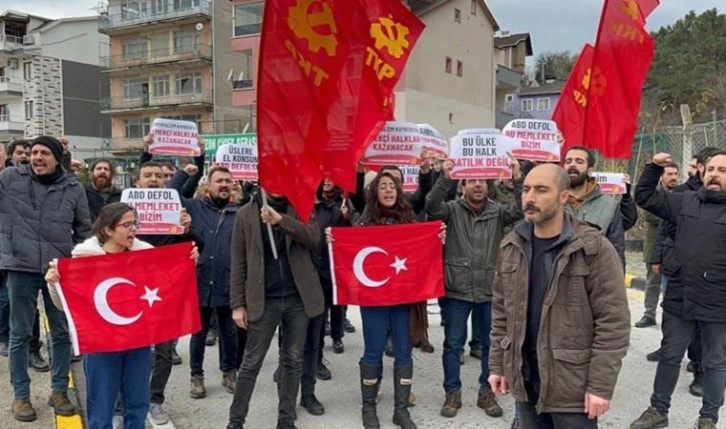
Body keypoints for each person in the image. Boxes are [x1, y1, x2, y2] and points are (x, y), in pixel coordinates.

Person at [489, 163, 630, 429]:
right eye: (527, 189)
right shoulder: (511, 245)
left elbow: (613, 323)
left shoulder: (594, 248)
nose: (530, 197)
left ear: (564, 196)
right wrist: (497, 364)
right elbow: (500, 312)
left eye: (542, 190)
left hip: (571, 387)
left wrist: (600, 386)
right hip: (526, 379)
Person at [45, 202, 198, 429]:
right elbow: (64, 305)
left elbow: (166, 287)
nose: (133, 229)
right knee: (101, 407)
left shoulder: (144, 254)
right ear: (108, 229)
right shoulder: (84, 258)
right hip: (101, 344)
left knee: (137, 404)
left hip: (137, 342)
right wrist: (54, 284)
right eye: (127, 224)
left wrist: (188, 262)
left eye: (135, 223)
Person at [336, 171, 443, 429]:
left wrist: (438, 238)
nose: (387, 190)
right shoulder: (365, 222)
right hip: (374, 300)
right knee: (373, 351)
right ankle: (369, 407)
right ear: (375, 192)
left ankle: (401, 410)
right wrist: (336, 238)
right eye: (382, 186)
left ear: (398, 191)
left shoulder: (411, 220)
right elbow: (349, 247)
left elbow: (423, 250)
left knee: (404, 352)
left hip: (403, 300)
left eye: (391, 186)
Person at [630, 151, 726, 429]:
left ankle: (708, 418)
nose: (714, 175)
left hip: (718, 302)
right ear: (702, 173)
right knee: (670, 356)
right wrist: (653, 167)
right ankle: (658, 410)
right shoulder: (684, 201)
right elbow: (645, 197)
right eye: (710, 169)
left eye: (722, 170)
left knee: (716, 362)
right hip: (680, 298)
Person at [0, 136, 92, 421]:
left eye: (44, 153)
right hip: (20, 266)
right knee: (20, 333)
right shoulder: (9, 178)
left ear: (55, 157)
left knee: (62, 331)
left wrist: (80, 263)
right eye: (33, 152)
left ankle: (59, 390)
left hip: (59, 271)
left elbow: (83, 228)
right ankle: (21, 396)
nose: (37, 157)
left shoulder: (74, 186)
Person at [426, 157, 523, 420]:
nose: (477, 185)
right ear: (462, 186)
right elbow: (431, 206)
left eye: (482, 180)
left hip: (490, 289)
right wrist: (444, 176)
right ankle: (452, 392)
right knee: (452, 344)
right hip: (457, 289)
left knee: (493, 346)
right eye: (471, 181)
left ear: (488, 185)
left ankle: (486, 391)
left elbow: (523, 208)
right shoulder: (452, 209)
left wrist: (517, 177)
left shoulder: (499, 211)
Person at [226, 191, 324, 429]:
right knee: (251, 362)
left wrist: (281, 221)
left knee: (292, 360)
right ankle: (236, 421)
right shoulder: (245, 214)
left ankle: (286, 419)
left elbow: (312, 238)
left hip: (298, 298)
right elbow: (238, 261)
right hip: (264, 299)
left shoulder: (300, 206)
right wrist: (238, 304)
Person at [130, 161, 202, 425]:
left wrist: (189, 231)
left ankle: (155, 399)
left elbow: (198, 246)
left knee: (163, 351)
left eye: (159, 176)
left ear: (166, 182)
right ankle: (122, 403)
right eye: (147, 175)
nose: (153, 180)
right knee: (129, 349)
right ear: (137, 182)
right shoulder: (123, 213)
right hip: (131, 292)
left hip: (165, 292)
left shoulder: (177, 213)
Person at [167, 166, 241, 401]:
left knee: (229, 331)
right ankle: (196, 376)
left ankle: (229, 371)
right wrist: (184, 172)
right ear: (208, 185)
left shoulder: (239, 212)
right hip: (199, 280)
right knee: (198, 333)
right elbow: (171, 193)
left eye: (228, 181)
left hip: (228, 280)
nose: (224, 184)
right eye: (219, 180)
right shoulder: (195, 207)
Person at [0, 138, 48, 371]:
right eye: (27, 153)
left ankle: (33, 350)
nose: (31, 157)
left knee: (38, 317)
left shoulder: (63, 185)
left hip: (39, 260)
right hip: (13, 257)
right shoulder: (7, 180)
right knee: (9, 307)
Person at [562, 146, 625, 266]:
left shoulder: (608, 205)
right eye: (568, 161)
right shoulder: (552, 201)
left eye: (579, 161)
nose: (572, 165)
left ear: (590, 170)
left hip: (593, 277)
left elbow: (616, 250)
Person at [635, 162, 679, 329]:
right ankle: (649, 314)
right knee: (653, 283)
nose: (673, 177)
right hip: (655, 245)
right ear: (661, 177)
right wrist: (672, 214)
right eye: (669, 174)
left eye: (675, 174)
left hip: (674, 248)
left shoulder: (682, 194)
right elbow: (650, 216)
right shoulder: (653, 194)